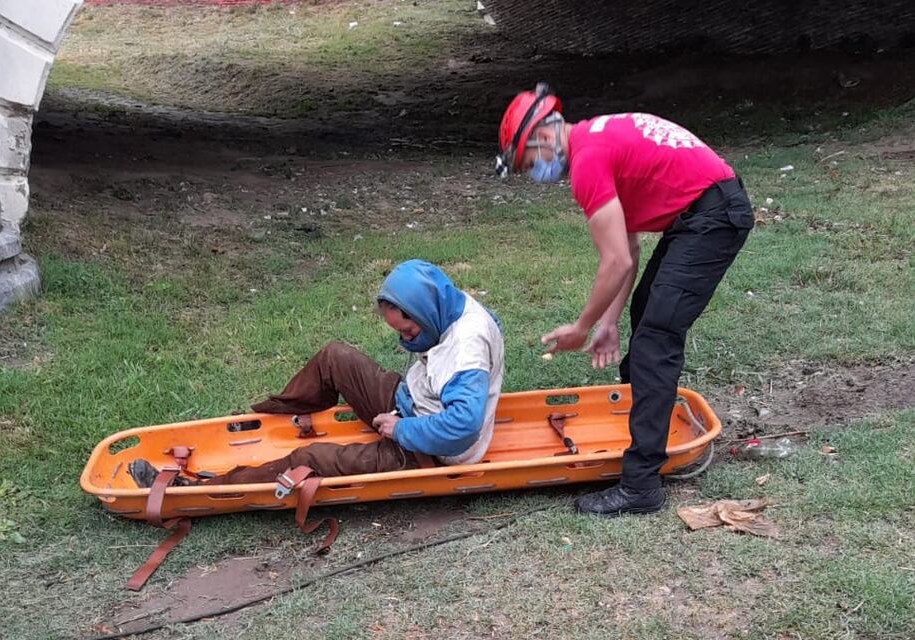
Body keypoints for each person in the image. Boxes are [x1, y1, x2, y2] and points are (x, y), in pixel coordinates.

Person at [496, 83, 753, 517]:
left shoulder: (587, 161)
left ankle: (641, 486)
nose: (535, 172)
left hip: (712, 217)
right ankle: (642, 426)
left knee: (656, 339)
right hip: (703, 210)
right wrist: (610, 321)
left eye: (528, 162)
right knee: (644, 312)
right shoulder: (596, 138)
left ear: (542, 136)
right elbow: (629, 250)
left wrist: (581, 327)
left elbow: (614, 260)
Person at [128, 259, 504, 488]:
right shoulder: (452, 303)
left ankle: (190, 488)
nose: (405, 340)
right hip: (415, 402)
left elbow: (463, 427)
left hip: (432, 451)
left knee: (309, 459)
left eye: (408, 332)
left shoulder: (466, 350)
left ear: (425, 313)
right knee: (334, 357)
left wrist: (400, 430)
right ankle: (265, 419)